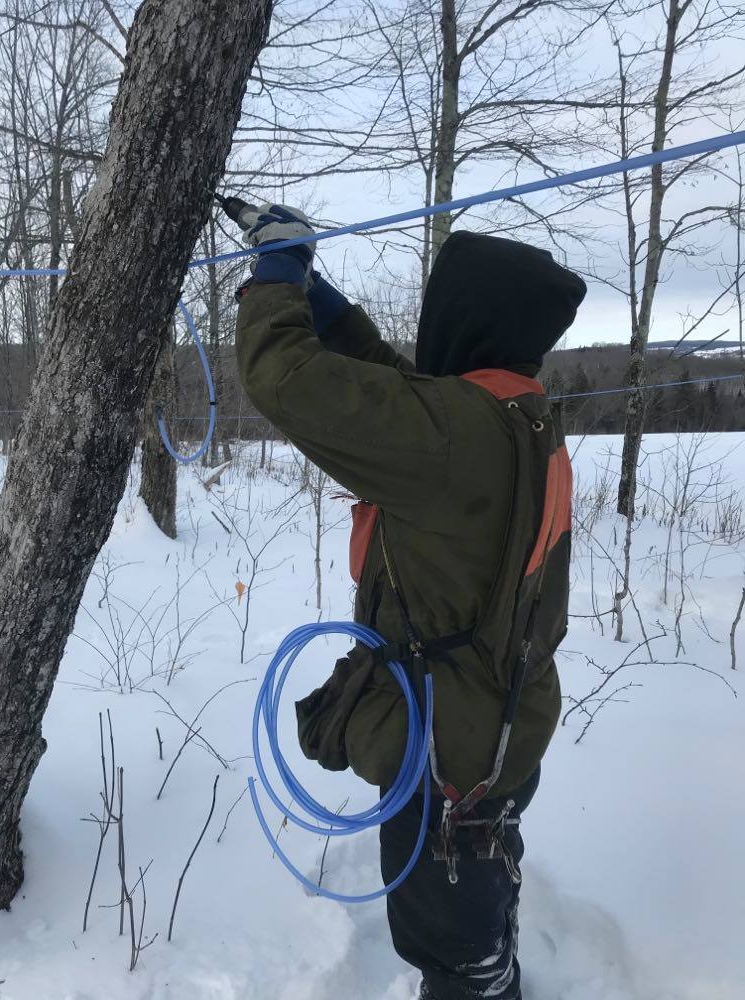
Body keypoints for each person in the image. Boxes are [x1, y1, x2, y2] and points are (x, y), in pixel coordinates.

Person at [233, 203, 586, 1000]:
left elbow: (285, 379)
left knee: (453, 951)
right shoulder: (516, 416)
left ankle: (477, 979)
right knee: (476, 903)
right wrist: (325, 303)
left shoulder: (454, 433)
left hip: (447, 752)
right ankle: (487, 960)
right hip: (497, 729)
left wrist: (279, 280)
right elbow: (403, 392)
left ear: (463, 318)